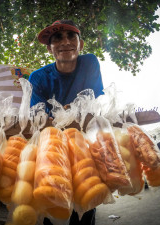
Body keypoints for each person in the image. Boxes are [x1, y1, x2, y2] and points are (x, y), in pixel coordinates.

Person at [28, 20, 104, 225]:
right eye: (57, 38)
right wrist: (67, 113)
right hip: (51, 147)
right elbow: (40, 118)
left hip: (82, 144)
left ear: (80, 44)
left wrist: (63, 113)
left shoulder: (89, 62)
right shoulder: (38, 77)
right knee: (52, 200)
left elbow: (92, 101)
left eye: (71, 36)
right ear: (49, 48)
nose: (65, 42)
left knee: (86, 201)